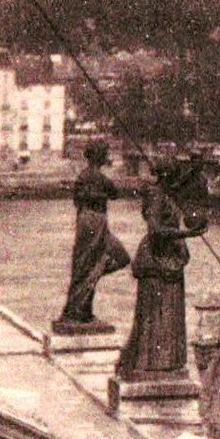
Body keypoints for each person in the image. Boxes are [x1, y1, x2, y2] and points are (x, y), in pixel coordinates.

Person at [116, 161, 207, 380]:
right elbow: (155, 231)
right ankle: (154, 365)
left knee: (165, 311)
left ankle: (163, 363)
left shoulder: (165, 192)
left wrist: (195, 169)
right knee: (158, 312)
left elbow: (182, 185)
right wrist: (188, 234)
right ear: (167, 176)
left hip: (168, 259)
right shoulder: (157, 196)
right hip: (158, 259)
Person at [54, 140, 129, 332]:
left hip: (88, 221)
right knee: (107, 260)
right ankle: (80, 307)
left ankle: (83, 300)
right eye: (105, 153)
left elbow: (80, 199)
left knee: (88, 264)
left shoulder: (84, 176)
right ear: (99, 156)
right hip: (94, 222)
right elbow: (114, 193)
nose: (107, 156)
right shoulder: (97, 177)